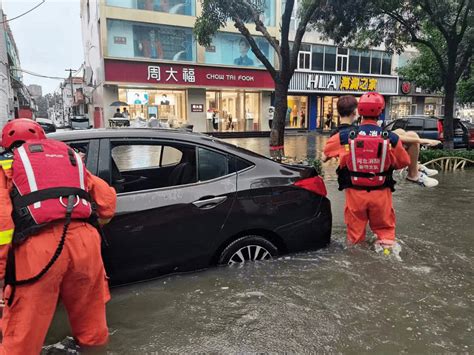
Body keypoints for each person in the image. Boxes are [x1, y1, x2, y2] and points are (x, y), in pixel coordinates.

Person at [0, 119, 117, 354]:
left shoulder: (5, 166)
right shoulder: (69, 159)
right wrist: (93, 225)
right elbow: (107, 202)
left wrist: (2, 272)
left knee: (23, 333)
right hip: (86, 243)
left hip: (38, 250)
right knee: (92, 325)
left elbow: (3, 224)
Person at [322, 92, 411, 252]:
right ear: (381, 112)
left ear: (359, 111)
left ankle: (357, 263)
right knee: (385, 235)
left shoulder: (344, 136)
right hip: (381, 194)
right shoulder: (391, 138)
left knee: (355, 239)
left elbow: (327, 151)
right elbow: (404, 162)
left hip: (355, 195)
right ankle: (386, 257)